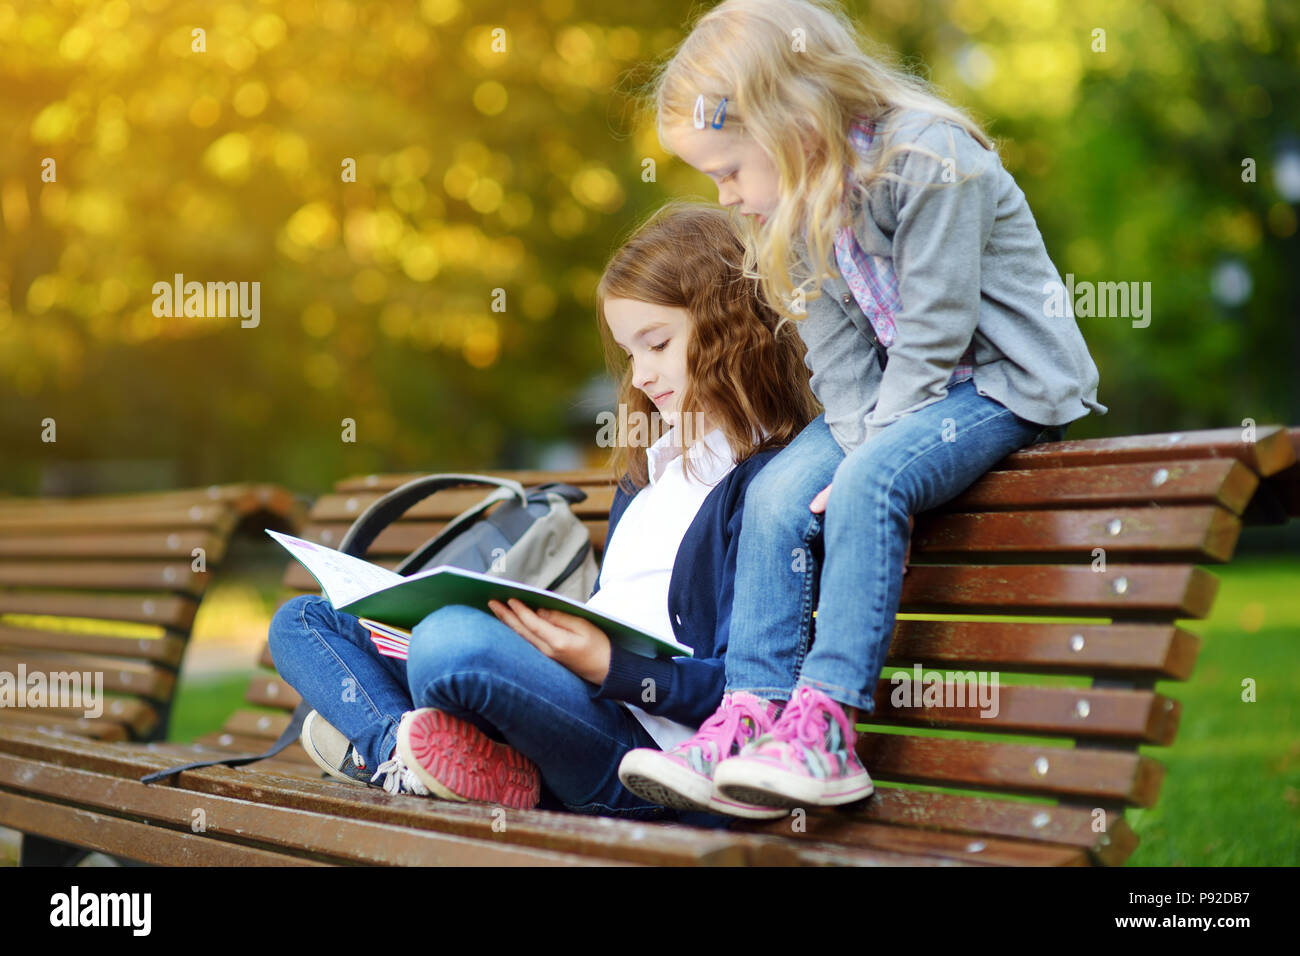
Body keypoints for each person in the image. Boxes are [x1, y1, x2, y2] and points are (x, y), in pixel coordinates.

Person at [619, 0, 1108, 813]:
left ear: (789, 122)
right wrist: (858, 438)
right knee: (776, 490)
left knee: (871, 479)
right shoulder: (792, 210)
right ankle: (753, 717)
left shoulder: (929, 162)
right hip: (892, 400)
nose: (727, 195)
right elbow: (840, 358)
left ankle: (829, 727)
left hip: (998, 384)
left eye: (730, 169)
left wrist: (871, 459)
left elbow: (936, 330)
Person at [267, 201, 818, 819]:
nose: (641, 376)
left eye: (657, 344)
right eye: (629, 353)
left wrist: (609, 665)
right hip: (569, 695)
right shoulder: (650, 471)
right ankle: (411, 754)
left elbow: (745, 692)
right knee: (306, 621)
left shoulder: (768, 484)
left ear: (729, 327)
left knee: (452, 644)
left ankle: (405, 753)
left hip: (641, 754)